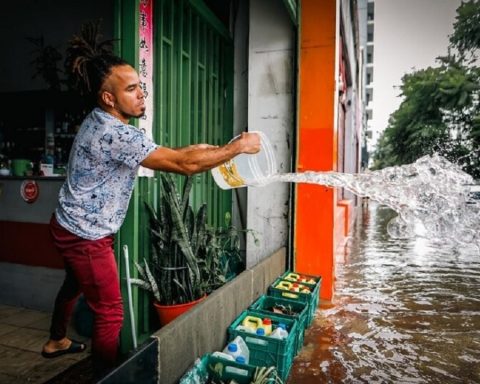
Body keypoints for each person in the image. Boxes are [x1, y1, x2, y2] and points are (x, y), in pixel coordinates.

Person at [41, 50, 260, 378]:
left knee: (74, 284)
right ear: (108, 98)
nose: (141, 93)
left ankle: (56, 339)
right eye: (130, 89)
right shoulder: (116, 133)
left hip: (66, 223)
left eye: (140, 85)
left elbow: (171, 155)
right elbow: (181, 165)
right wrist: (237, 148)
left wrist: (210, 151)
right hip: (85, 235)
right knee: (111, 312)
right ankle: (107, 377)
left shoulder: (103, 120)